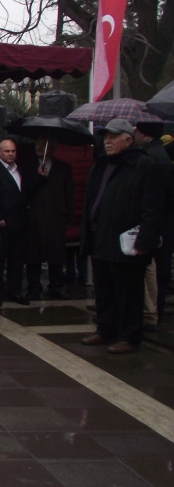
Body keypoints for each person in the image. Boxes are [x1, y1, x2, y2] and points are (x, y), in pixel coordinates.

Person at [80, 119, 163, 354]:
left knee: (128, 292)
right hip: (99, 237)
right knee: (104, 288)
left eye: (114, 137)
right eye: (106, 137)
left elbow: (152, 207)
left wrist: (145, 240)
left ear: (128, 139)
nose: (108, 141)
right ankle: (106, 329)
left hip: (126, 241)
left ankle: (129, 336)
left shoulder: (143, 165)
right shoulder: (101, 164)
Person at [133, 121, 173, 331]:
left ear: (143, 133)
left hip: (155, 223)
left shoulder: (150, 157)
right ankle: (154, 312)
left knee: (152, 270)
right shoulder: (161, 154)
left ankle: (151, 314)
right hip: (161, 222)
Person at [27, 136, 73, 301]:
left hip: (56, 217)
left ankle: (56, 286)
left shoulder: (64, 168)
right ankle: (34, 287)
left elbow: (69, 194)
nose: (39, 147)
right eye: (37, 144)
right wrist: (38, 177)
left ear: (52, 148)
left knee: (56, 255)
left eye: (43, 145)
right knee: (34, 255)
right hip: (35, 217)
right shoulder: (29, 166)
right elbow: (25, 191)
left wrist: (68, 217)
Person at [0, 138, 30, 306]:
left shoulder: (20, 170)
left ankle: (15, 291)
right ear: (0, 152)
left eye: (13, 151)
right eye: (7, 151)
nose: (11, 154)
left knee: (17, 260)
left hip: (20, 222)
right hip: (3, 223)